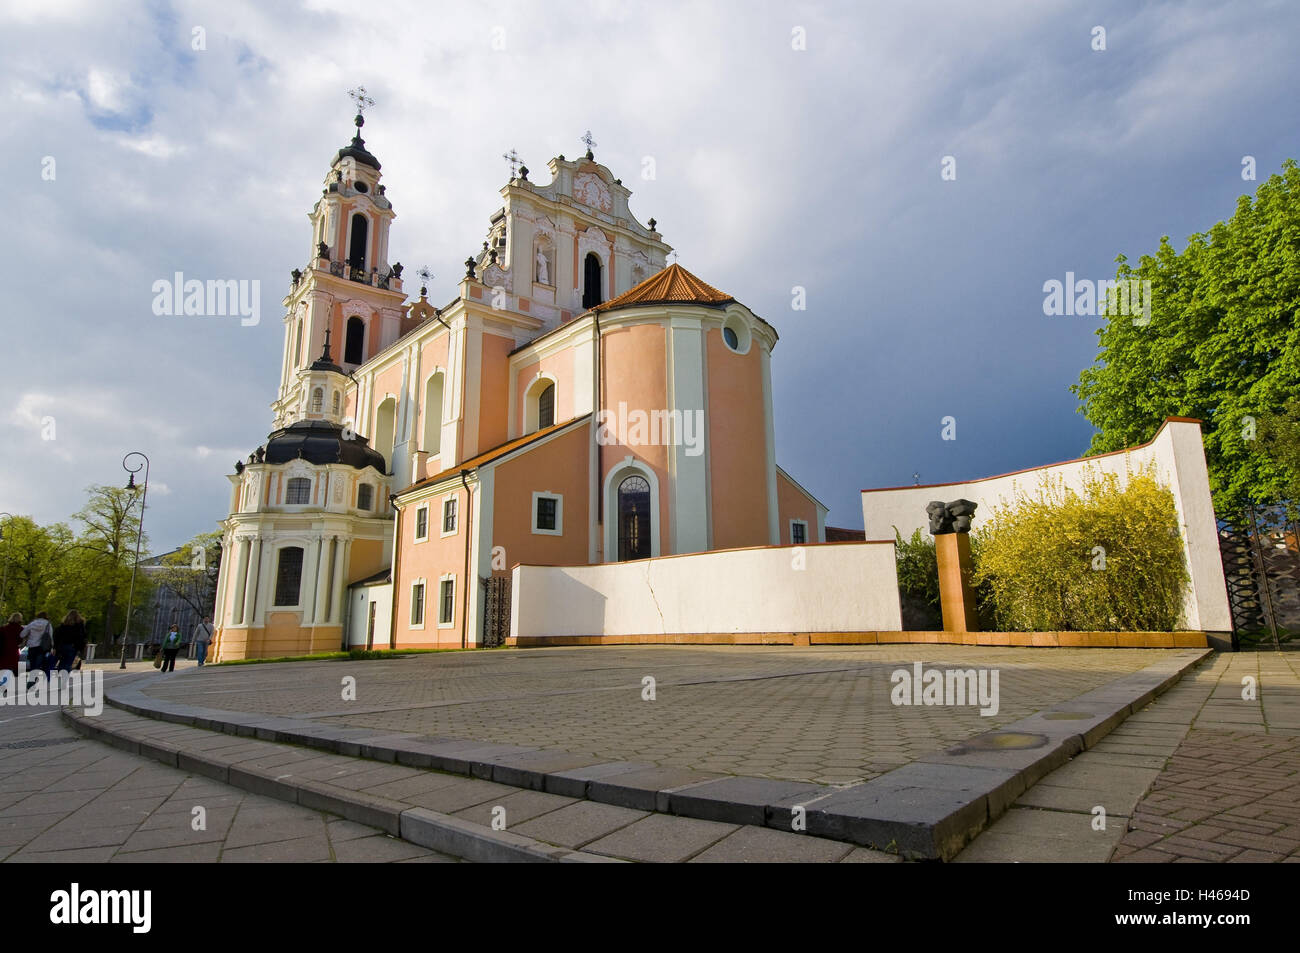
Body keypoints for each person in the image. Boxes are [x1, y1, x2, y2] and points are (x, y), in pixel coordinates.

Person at [19, 612, 54, 686]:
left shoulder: (32, 624)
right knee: (38, 664)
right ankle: (34, 679)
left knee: (33, 664)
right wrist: (52, 647)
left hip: (32, 647)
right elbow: (50, 636)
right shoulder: (48, 624)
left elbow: (22, 634)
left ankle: (32, 679)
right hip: (42, 647)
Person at [0, 612, 22, 686]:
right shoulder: (20, 629)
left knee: (4, 667)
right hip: (14, 651)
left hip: (3, 650)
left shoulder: (3, 628)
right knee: (10, 668)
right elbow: (21, 640)